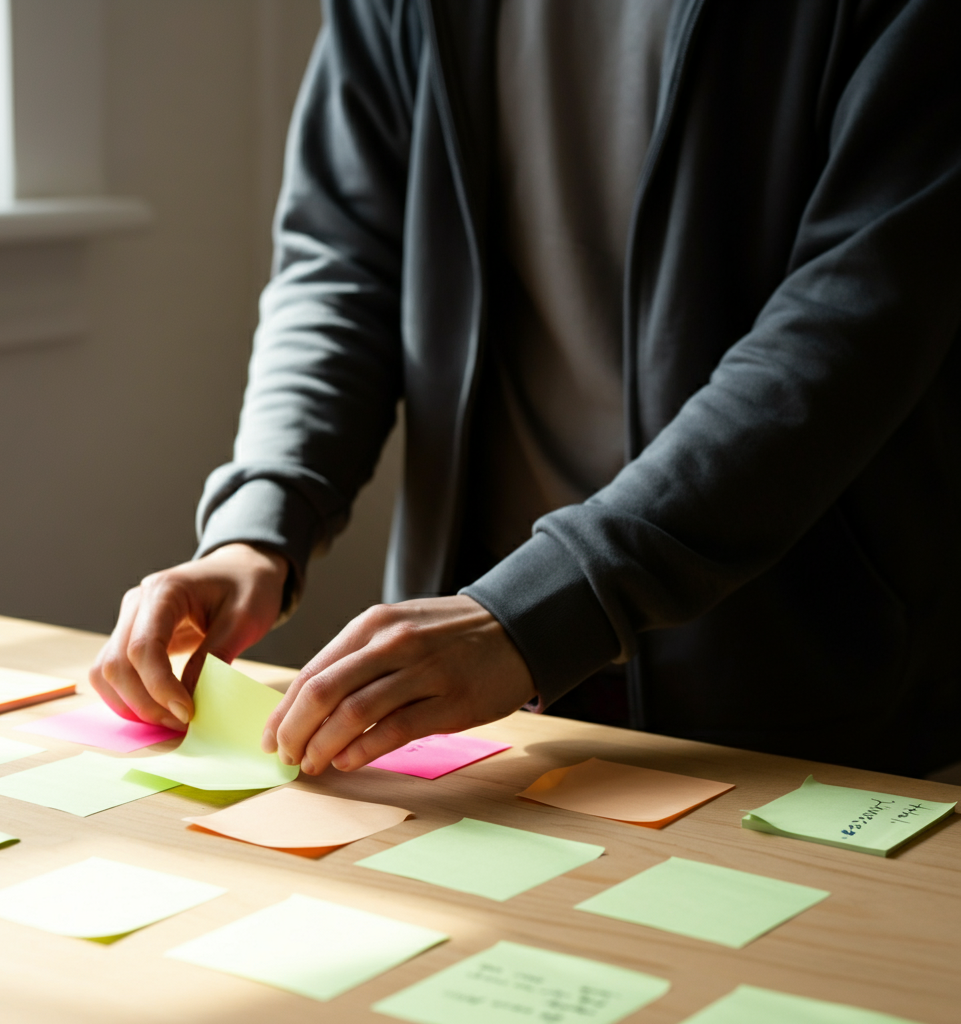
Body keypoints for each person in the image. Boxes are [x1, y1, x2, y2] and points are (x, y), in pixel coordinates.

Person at [91, 0, 961, 781]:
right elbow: (342, 263)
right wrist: (259, 525)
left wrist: (544, 608)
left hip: (796, 684)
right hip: (469, 686)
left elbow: (858, 321)